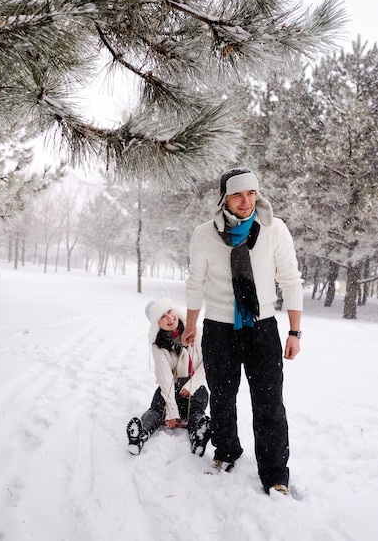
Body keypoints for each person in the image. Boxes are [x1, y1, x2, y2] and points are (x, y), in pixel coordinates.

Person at [182, 167, 303, 496]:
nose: (246, 201)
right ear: (224, 199)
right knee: (222, 398)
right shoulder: (204, 234)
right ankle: (226, 451)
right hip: (219, 329)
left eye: (251, 193)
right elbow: (196, 283)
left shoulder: (274, 230)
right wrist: (191, 324)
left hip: (263, 328)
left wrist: (295, 331)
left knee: (270, 403)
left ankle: (275, 473)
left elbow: (290, 279)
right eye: (237, 194)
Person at [127, 297, 211, 457]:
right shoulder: (158, 346)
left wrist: (191, 386)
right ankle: (139, 437)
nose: (169, 318)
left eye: (169, 312)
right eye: (162, 317)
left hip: (196, 386)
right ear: (156, 323)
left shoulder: (195, 331)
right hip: (170, 388)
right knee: (156, 408)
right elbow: (165, 378)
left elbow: (207, 364)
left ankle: (198, 437)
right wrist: (171, 411)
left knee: (196, 410)